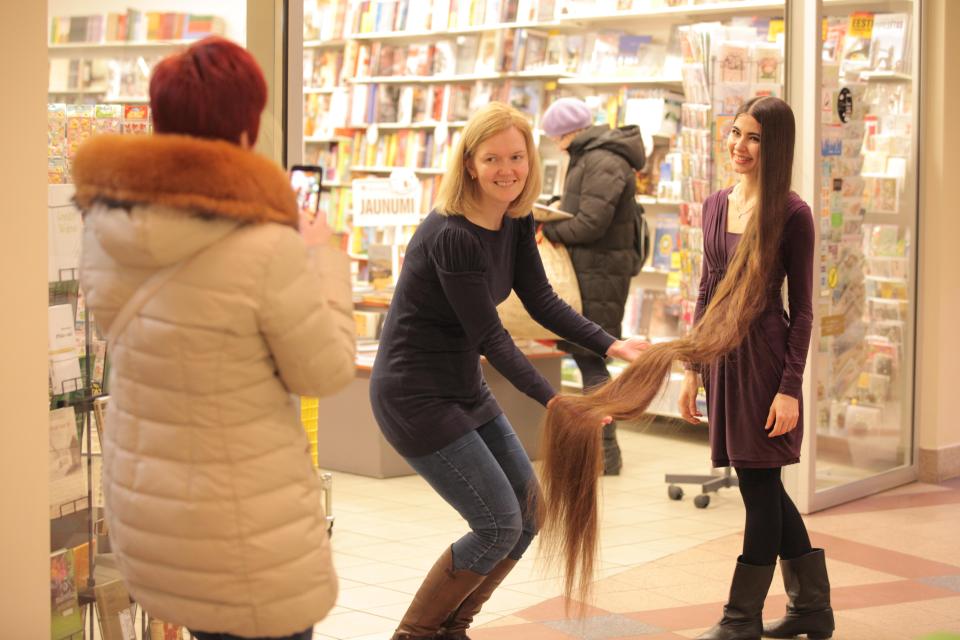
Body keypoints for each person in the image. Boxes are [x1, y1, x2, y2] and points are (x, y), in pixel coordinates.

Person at [74, 37, 355, 640]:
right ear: (248, 128)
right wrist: (322, 258)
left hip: (154, 518)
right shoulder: (267, 246)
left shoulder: (105, 226)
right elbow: (325, 373)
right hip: (245, 532)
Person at [539, 96, 833, 640]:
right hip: (722, 357)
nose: (738, 147)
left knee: (759, 484)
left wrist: (789, 388)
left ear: (776, 147)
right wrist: (694, 371)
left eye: (753, 139)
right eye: (735, 134)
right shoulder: (719, 204)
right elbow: (706, 289)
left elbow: (804, 308)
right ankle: (811, 606)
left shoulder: (792, 213)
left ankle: (740, 618)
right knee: (759, 480)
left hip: (766, 360)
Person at [369, 102, 648, 640]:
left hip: (461, 388)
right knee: (498, 524)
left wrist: (614, 344)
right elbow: (491, 338)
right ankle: (414, 635)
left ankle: (454, 629)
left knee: (529, 517)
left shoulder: (516, 218)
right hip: (414, 394)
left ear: (531, 159)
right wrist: (557, 401)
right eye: (492, 158)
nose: (507, 169)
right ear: (469, 163)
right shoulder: (452, 234)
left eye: (516, 156)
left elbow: (541, 300)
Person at [539, 96, 647, 475]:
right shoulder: (595, 156)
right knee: (590, 355)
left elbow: (590, 224)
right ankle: (601, 450)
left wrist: (546, 227)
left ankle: (606, 453)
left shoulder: (602, 159)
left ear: (567, 133)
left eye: (554, 137)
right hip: (594, 271)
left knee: (591, 356)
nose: (554, 144)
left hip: (599, 273)